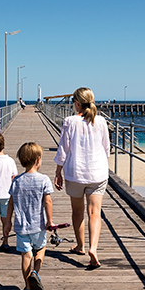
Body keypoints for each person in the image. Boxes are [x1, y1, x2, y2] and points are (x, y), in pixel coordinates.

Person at [54, 87, 110, 269]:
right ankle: (93, 248)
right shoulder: (101, 121)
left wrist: (58, 172)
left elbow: (63, 149)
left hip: (75, 172)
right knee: (94, 213)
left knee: (78, 212)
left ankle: (80, 246)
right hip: (97, 172)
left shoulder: (70, 121)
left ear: (77, 103)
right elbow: (106, 148)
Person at [7, 141, 54, 290]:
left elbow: (11, 203)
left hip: (21, 227)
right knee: (40, 248)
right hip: (38, 225)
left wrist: (8, 222)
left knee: (26, 255)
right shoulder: (43, 179)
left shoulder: (17, 181)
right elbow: (47, 202)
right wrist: (50, 221)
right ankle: (35, 272)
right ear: (38, 160)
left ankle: (27, 287)